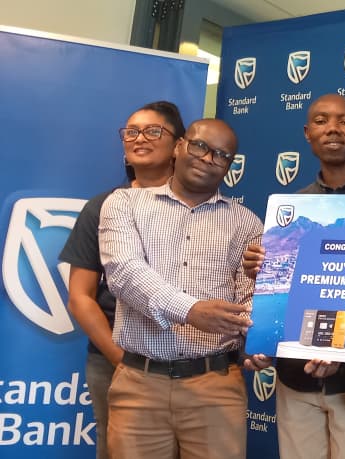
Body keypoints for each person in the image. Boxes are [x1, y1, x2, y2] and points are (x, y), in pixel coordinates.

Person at [99, 118, 261, 459]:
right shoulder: (124, 204)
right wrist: (190, 310)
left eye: (221, 155)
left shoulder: (247, 222)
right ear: (178, 146)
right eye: (199, 146)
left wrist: (257, 344)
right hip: (139, 386)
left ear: (230, 166)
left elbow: (250, 299)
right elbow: (124, 273)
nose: (207, 158)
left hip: (215, 386)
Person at [243, 94, 345, 459]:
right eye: (321, 120)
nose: (332, 128)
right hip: (295, 379)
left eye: (344, 121)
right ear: (307, 133)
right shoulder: (292, 209)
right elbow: (282, 296)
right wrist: (259, 273)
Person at [59, 100, 184, 459]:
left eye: (152, 130)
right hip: (115, 360)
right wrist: (125, 363)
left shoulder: (201, 207)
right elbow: (80, 297)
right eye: (131, 131)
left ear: (179, 144)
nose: (139, 138)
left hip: (188, 360)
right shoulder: (102, 207)